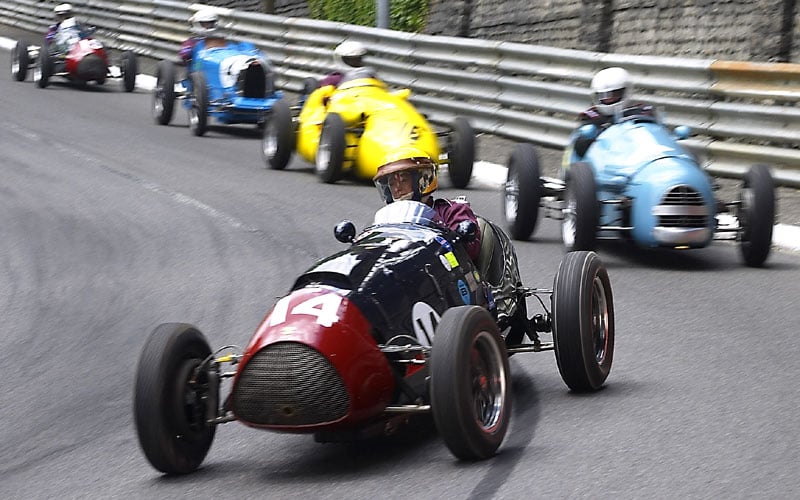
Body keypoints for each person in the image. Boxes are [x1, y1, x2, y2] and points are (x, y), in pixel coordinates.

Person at [373, 152, 481, 261]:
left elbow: (469, 252)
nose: (397, 189)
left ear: (423, 180)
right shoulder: (386, 221)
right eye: (392, 184)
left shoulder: (452, 210)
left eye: (403, 181)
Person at [573, 66, 658, 156]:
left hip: (638, 155)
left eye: (614, 94)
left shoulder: (642, 111)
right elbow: (579, 149)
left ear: (626, 91)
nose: (608, 99)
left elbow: (655, 133)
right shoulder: (591, 116)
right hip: (606, 159)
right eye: (603, 96)